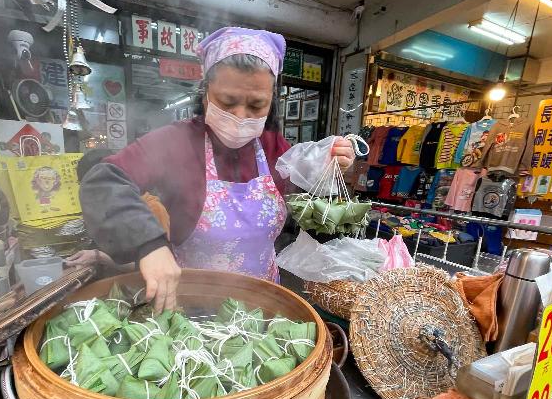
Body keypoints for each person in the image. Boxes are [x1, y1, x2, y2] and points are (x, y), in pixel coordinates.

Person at [79, 27, 354, 312]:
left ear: (271, 102)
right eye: (227, 101)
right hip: (192, 308)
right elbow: (104, 182)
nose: (241, 116)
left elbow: (304, 183)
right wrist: (148, 245)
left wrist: (329, 161)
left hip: (261, 304)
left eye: (257, 105)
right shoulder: (177, 142)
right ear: (205, 93)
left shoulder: (272, 146)